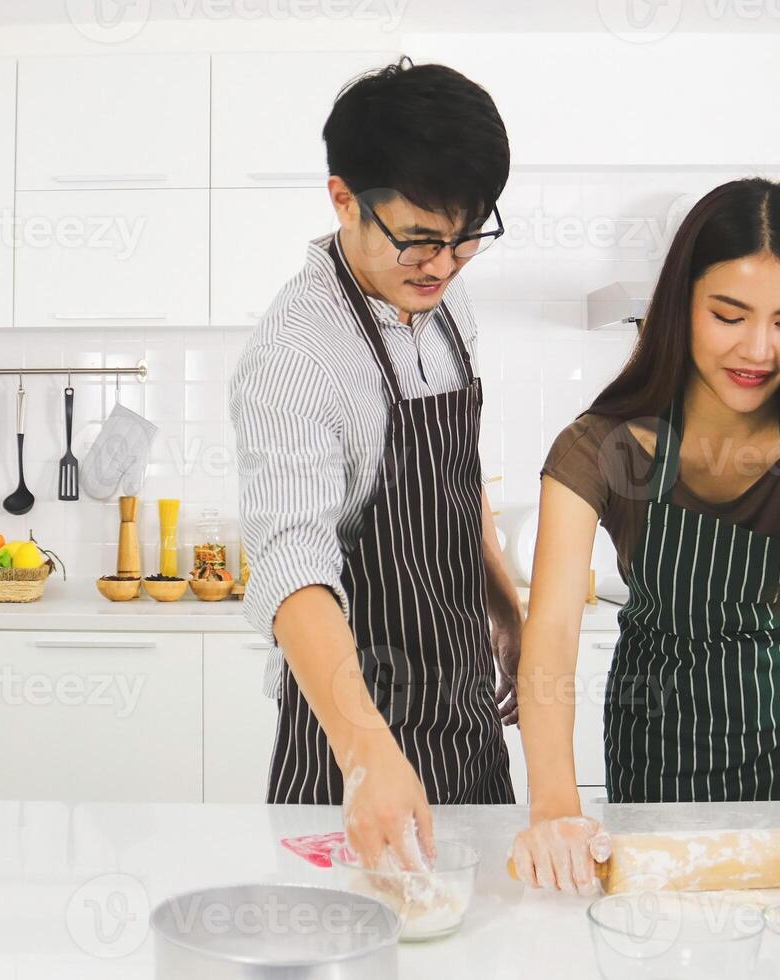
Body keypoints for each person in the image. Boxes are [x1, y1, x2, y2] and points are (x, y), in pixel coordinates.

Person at [511, 178, 780, 905]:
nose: (757, 348)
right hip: (661, 742)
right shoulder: (604, 445)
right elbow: (549, 630)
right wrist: (553, 806)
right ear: (680, 304)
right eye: (727, 314)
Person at [230, 59, 523, 869]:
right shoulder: (294, 355)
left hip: (461, 702)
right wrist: (367, 754)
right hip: (350, 726)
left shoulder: (444, 294)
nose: (442, 263)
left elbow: (457, 471)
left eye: (467, 238)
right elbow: (291, 562)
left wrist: (507, 605)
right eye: (421, 238)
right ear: (342, 199)